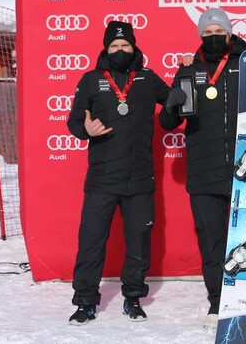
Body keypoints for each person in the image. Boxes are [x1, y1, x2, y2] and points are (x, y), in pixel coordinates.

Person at [159, 8, 246, 331]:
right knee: (213, 242)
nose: (213, 37)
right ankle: (218, 302)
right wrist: (171, 101)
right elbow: (168, 122)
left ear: (231, 33)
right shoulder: (189, 70)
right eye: (207, 33)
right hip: (204, 173)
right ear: (200, 37)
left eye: (219, 31)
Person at [66, 21, 170, 325]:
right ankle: (85, 302)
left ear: (134, 47)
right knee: (91, 241)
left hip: (140, 179)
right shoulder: (91, 80)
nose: (121, 50)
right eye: (115, 46)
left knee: (138, 242)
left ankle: (133, 298)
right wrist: (85, 130)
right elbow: (74, 122)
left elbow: (177, 103)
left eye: (126, 46)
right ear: (106, 48)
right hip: (102, 179)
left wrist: (189, 70)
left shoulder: (148, 79)